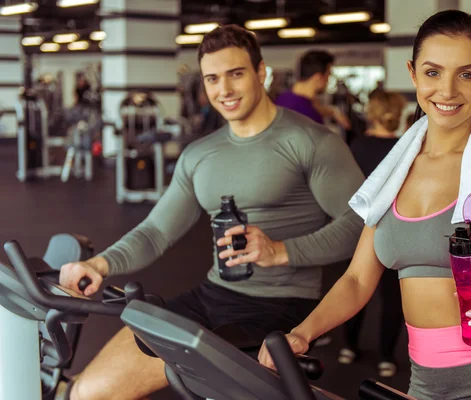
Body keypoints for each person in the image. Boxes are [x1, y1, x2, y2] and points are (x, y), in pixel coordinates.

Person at [259, 10, 471, 399]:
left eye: (466, 74)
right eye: (433, 73)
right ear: (413, 73)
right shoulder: (392, 175)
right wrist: (303, 331)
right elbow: (356, 279)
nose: (447, 91)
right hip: (427, 381)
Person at [59, 24, 365, 400]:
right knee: (86, 393)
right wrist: (99, 266)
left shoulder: (312, 142)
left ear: (261, 72)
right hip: (211, 296)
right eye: (213, 79)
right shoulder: (199, 155)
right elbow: (157, 231)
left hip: (280, 307)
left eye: (236, 74)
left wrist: (282, 250)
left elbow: (361, 224)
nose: (224, 90)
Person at [338, 89, 407, 377]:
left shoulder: (356, 145)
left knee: (353, 286)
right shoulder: (406, 149)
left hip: (359, 228)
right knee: (392, 297)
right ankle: (386, 358)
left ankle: (349, 347)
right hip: (395, 230)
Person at [275, 50, 350, 130]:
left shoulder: (281, 100)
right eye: (328, 76)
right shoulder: (309, 115)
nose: (328, 81)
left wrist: (334, 112)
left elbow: (317, 107)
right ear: (318, 78)